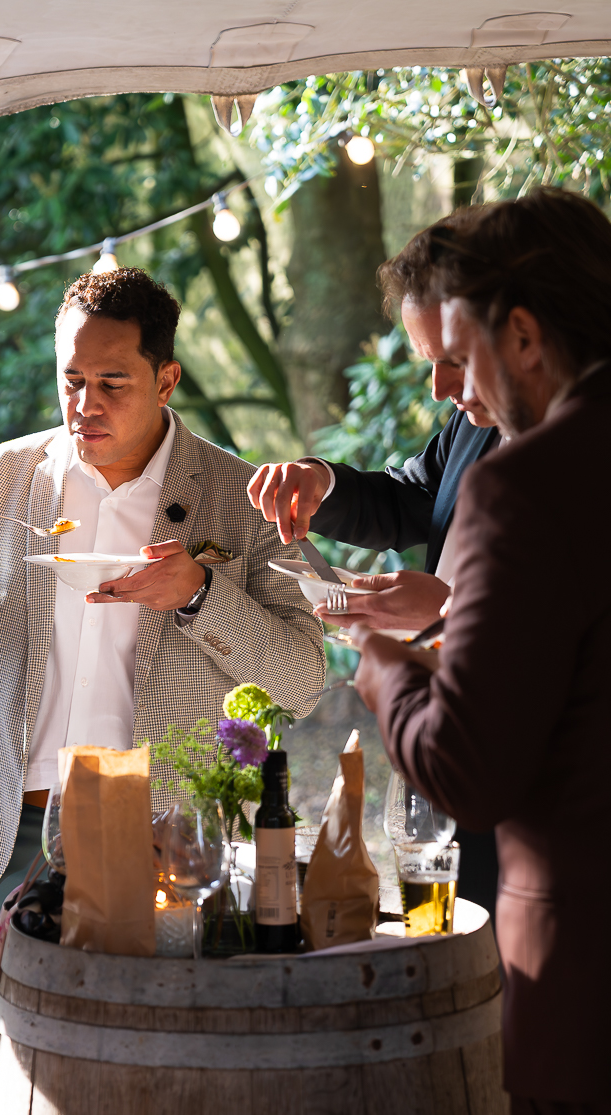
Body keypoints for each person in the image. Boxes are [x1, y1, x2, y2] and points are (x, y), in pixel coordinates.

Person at [0, 267, 325, 1115]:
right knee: (3, 1087)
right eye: (69, 379)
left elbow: (302, 677)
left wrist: (203, 593)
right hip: (17, 824)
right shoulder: (7, 475)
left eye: (111, 382)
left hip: (163, 833)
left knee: (151, 1084)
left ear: (167, 380)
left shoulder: (237, 495)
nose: (83, 403)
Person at [351, 187, 611, 1115]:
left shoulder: (527, 483)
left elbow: (469, 768)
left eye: (462, 353)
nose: (459, 393)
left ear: (522, 334)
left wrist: (383, 666)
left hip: (589, 983)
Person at [247, 222, 502, 916]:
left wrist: (446, 616)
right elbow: (415, 496)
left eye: (453, 357)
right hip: (447, 755)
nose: (443, 386)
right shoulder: (476, 421)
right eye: (426, 359)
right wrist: (322, 483)